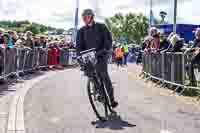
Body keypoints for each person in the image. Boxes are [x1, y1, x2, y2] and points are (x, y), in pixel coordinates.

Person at [76, 9, 118, 108]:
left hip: (101, 54)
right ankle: (98, 92)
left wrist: (104, 50)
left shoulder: (101, 27)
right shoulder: (81, 31)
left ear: (92, 17)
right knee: (90, 73)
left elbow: (108, 40)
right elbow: (79, 45)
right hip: (88, 56)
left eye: (87, 16)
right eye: (83, 17)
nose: (85, 19)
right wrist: (79, 55)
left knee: (103, 74)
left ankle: (111, 100)